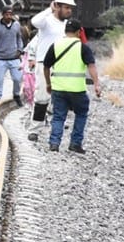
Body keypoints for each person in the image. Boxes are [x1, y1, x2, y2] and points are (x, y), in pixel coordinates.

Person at [43, 18, 102, 153]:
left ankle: (54, 143)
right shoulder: (83, 47)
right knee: (81, 114)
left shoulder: (55, 45)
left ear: (65, 31)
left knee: (58, 116)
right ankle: (75, 144)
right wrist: (96, 84)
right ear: (78, 32)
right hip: (77, 89)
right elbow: (91, 66)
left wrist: (48, 83)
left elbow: (46, 67)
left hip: (58, 88)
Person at [27, 0, 76, 142]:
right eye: (66, 7)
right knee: (41, 98)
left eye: (70, 8)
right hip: (44, 64)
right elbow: (35, 21)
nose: (69, 11)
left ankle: (56, 131)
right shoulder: (47, 21)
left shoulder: (67, 25)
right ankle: (35, 129)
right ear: (58, 6)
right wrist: (50, 9)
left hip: (61, 66)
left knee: (60, 99)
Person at [0, 5, 24, 106]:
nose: (8, 16)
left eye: (10, 14)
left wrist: (20, 49)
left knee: (17, 78)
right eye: (6, 14)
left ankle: (16, 95)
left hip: (14, 57)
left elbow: (19, 38)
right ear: (2, 15)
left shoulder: (17, 25)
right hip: (1, 58)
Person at [20, 33, 38, 108]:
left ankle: (32, 103)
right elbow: (26, 58)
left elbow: (25, 57)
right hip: (30, 71)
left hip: (32, 71)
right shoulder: (34, 44)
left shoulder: (33, 43)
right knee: (31, 88)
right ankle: (31, 103)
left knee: (31, 88)